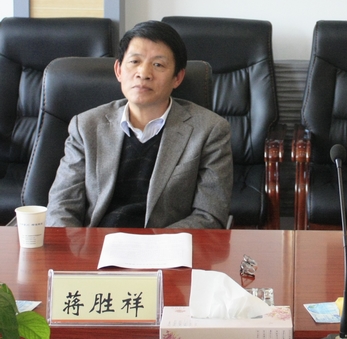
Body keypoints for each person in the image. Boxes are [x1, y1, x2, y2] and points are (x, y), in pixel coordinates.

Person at [46, 20, 233, 229]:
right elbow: (62, 206)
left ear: (178, 77)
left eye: (158, 65)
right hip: (97, 243)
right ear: (118, 70)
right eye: (134, 61)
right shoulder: (86, 126)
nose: (143, 73)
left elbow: (209, 216)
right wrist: (73, 247)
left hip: (166, 245)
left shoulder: (210, 130)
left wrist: (150, 245)